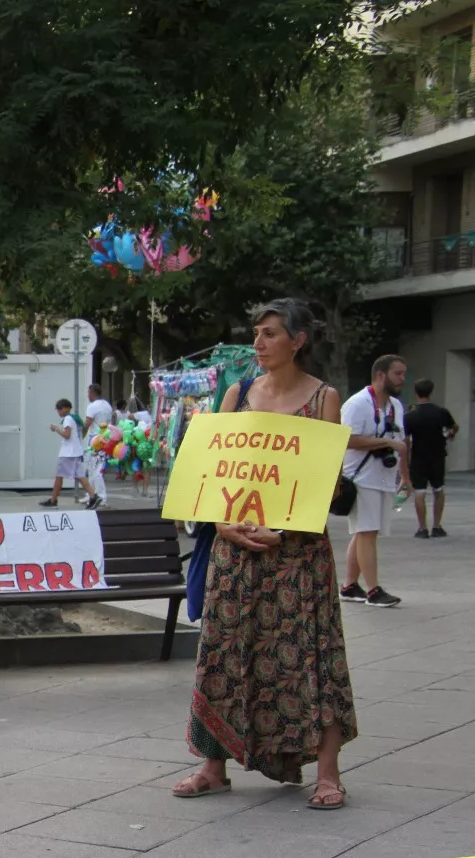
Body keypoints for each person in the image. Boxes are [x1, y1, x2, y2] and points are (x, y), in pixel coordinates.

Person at [172, 299, 356, 810]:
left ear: (297, 341)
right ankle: (213, 764)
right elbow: (213, 470)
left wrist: (284, 530)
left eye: (270, 333)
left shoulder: (323, 399)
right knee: (224, 651)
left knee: (311, 657)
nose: (258, 342)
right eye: (256, 332)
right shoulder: (238, 393)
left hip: (296, 552)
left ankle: (327, 773)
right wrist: (223, 523)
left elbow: (324, 482)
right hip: (236, 548)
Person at [339, 355, 410, 607]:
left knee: (365, 532)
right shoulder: (357, 404)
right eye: (398, 374)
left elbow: (402, 442)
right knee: (366, 532)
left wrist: (406, 476)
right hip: (361, 478)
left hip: (384, 477)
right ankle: (373, 590)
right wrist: (386, 442)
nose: (403, 379)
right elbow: (347, 439)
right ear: (381, 375)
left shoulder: (396, 406)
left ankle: (348, 586)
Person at [404, 378, 458, 539]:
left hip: (419, 458)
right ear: (431, 391)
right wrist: (449, 435)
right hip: (437, 456)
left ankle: (422, 528)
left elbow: (406, 440)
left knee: (420, 492)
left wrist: (405, 461)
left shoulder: (410, 416)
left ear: (416, 392)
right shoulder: (441, 412)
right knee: (438, 490)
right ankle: (436, 526)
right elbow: (454, 427)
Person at [41, 399, 98, 509]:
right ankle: (94, 496)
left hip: (68, 453)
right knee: (80, 476)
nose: (59, 412)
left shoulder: (67, 419)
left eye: (60, 409)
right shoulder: (75, 419)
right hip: (76, 452)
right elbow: (82, 432)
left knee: (59, 476)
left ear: (66, 408)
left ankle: (53, 500)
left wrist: (56, 428)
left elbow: (67, 435)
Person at [82, 383, 113, 507]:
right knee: (92, 468)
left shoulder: (92, 407)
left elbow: (87, 423)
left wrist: (81, 437)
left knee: (96, 470)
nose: (88, 395)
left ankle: (101, 496)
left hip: (95, 439)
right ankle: (91, 494)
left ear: (92, 393)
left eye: (88, 393)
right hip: (105, 438)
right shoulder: (107, 406)